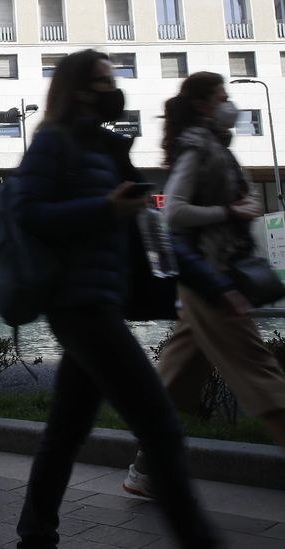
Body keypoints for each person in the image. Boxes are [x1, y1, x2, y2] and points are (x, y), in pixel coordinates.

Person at [11, 50, 218, 549]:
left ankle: (35, 535)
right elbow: (27, 213)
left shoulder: (109, 148)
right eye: (107, 79)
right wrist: (104, 207)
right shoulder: (52, 144)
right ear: (81, 90)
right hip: (77, 305)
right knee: (160, 426)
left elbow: (149, 225)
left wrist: (215, 286)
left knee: (65, 431)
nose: (115, 87)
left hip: (102, 301)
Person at [123, 72, 285, 498]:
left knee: (176, 379)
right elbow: (172, 213)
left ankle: (145, 468)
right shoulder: (198, 146)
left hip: (205, 279)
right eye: (222, 96)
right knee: (260, 373)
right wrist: (230, 212)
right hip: (212, 278)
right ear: (203, 104)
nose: (230, 103)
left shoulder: (214, 147)